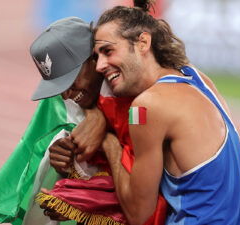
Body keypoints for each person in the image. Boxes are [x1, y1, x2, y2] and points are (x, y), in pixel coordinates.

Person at [93, 1, 240, 224]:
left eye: (108, 51)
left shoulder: (148, 105)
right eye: (97, 57)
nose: (100, 65)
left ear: (143, 42)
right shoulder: (198, 80)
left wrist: (108, 143)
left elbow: (139, 213)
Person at [31, 16, 168, 225]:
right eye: (59, 87)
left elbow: (147, 203)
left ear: (95, 58)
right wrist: (68, 160)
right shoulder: (87, 100)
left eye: (69, 80)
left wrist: (106, 142)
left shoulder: (143, 102)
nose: (67, 95)